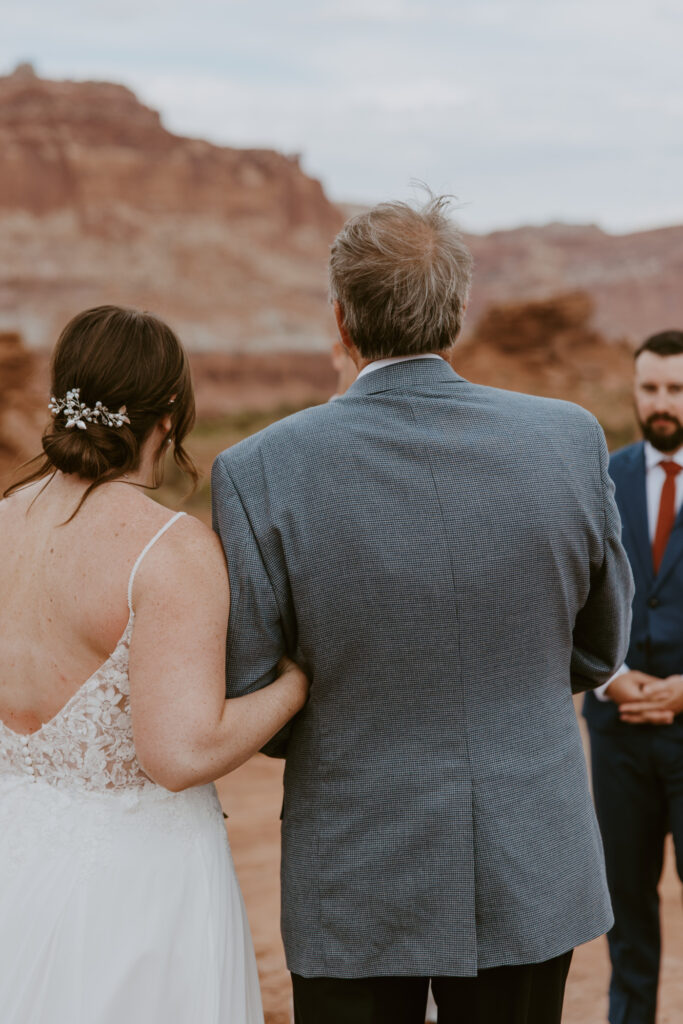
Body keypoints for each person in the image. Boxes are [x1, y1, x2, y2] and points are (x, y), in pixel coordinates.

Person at [211, 195, 634, 1024]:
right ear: (457, 310)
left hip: (352, 863)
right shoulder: (570, 438)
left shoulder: (257, 468)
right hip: (529, 856)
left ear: (340, 318)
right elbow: (597, 648)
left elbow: (253, 680)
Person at [0, 305, 308, 1024]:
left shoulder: (4, 515)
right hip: (133, 886)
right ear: (168, 412)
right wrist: (294, 685)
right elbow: (178, 752)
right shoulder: (167, 549)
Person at [583, 330, 683, 1024]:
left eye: (675, 389)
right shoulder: (599, 477)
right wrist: (608, 676)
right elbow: (571, 588)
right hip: (616, 731)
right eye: (649, 388)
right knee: (626, 917)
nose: (661, 403)